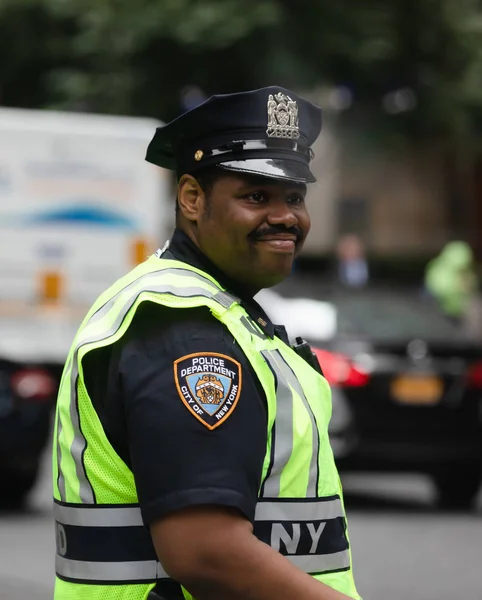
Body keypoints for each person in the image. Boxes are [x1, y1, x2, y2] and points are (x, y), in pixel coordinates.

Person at [52, 86, 361, 600]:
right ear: (192, 199)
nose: (286, 217)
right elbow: (206, 552)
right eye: (255, 196)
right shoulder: (185, 327)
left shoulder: (214, 309)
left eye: (295, 197)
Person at [424, 240, 478, 322]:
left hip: (458, 309)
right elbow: (438, 288)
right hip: (441, 308)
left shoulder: (464, 270)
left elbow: (471, 286)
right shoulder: (441, 270)